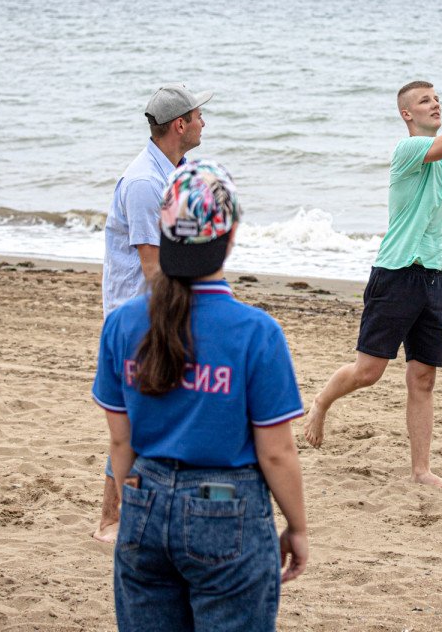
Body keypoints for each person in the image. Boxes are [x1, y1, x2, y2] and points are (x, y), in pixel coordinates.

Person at [92, 160, 307, 632]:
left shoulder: (123, 324)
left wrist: (134, 503)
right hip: (226, 507)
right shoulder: (256, 333)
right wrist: (298, 526)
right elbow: (277, 453)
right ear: (229, 238)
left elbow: (120, 441)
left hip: (144, 502)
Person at [302, 49, 442, 490]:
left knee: (422, 378)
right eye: (425, 101)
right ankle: (322, 401)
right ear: (407, 114)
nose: (435, 104)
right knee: (368, 373)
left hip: (436, 276)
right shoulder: (408, 150)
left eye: (437, 97)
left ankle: (420, 470)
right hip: (397, 272)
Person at [96, 83, 211, 542]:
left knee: (161, 413)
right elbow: (152, 265)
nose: (205, 122)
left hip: (161, 309)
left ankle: (144, 509)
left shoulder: (178, 170)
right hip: (137, 315)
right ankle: (108, 518)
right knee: (133, 419)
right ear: (179, 124)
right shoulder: (146, 181)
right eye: (199, 116)